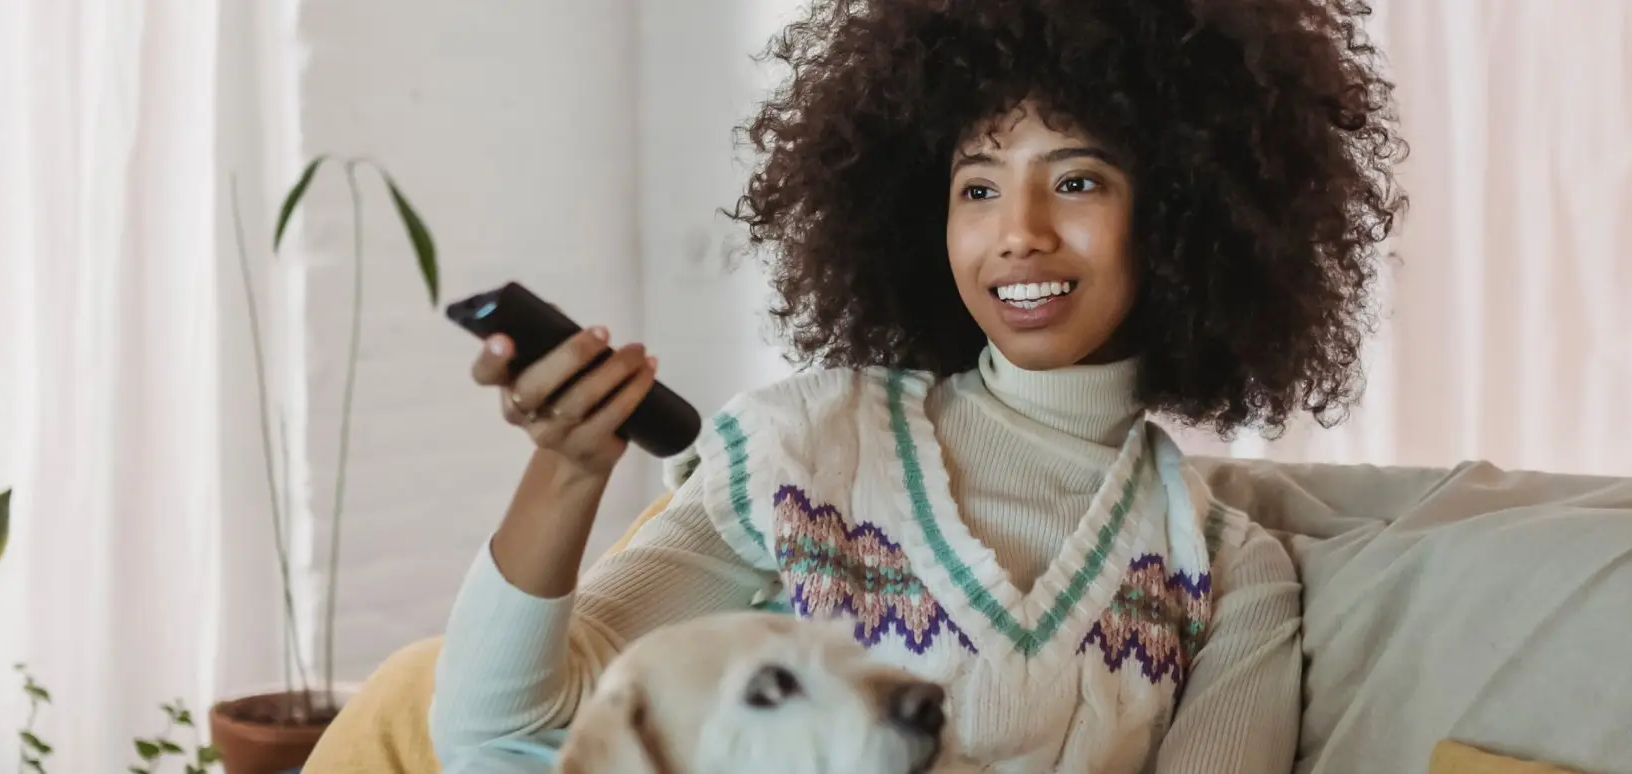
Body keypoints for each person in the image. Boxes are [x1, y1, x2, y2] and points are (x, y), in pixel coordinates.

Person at [429, 0, 1405, 771]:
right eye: (976, 187)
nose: (1017, 230)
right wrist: (567, 470)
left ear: (1183, 216)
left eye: (1076, 181)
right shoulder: (802, 450)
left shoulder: (1232, 569)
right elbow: (501, 739)